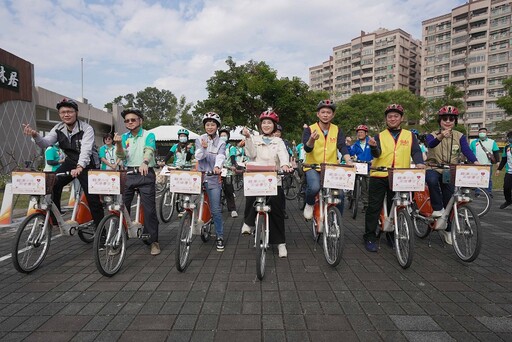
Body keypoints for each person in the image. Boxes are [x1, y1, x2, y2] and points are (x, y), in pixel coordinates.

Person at [22, 98, 104, 228]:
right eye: (63, 112)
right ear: (60, 114)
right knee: (53, 183)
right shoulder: (58, 128)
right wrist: (35, 135)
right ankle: (55, 220)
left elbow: (86, 150)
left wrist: (80, 166)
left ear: (76, 113)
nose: (66, 114)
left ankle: (101, 231)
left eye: (69, 111)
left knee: (92, 199)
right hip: (70, 162)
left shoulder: (86, 128)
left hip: (88, 165)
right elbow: (45, 142)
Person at [363, 104, 425, 252]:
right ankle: (370, 236)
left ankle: (391, 234)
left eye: (396, 116)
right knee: (374, 207)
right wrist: (372, 146)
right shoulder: (379, 136)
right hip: (379, 174)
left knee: (395, 207)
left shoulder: (410, 136)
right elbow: (377, 154)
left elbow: (415, 151)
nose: (392, 118)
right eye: (389, 116)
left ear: (401, 118)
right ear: (386, 119)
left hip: (399, 176)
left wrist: (420, 163)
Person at [241, 109, 292, 257]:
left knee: (277, 209)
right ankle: (249, 223)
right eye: (264, 122)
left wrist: (285, 165)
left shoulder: (279, 141)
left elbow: (283, 155)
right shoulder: (255, 138)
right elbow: (250, 154)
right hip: (257, 177)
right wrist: (248, 138)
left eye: (269, 122)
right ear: (260, 125)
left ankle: (280, 243)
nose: (266, 125)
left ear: (274, 125)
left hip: (273, 178)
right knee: (251, 195)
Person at [425, 106, 478, 244]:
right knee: (431, 179)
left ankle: (448, 230)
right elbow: (431, 144)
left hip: (450, 170)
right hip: (433, 167)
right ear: (440, 121)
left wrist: (476, 162)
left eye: (451, 119)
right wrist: (441, 135)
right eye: (444, 119)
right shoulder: (432, 134)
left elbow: (466, 150)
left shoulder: (459, 136)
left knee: (449, 200)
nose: (448, 121)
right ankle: (437, 209)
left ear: (455, 121)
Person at [114, 108, 160, 256]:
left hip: (145, 173)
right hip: (128, 173)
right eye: (127, 120)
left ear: (140, 120)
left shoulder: (148, 135)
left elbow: (149, 149)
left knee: (149, 210)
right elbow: (121, 156)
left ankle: (153, 241)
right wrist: (119, 144)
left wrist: (145, 162)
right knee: (122, 207)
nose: (130, 122)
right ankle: (119, 239)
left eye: (133, 119)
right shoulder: (124, 137)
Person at [302, 99, 351, 220]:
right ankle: (309, 203)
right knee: (314, 187)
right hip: (312, 166)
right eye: (322, 112)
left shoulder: (337, 129)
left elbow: (342, 146)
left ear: (333, 115)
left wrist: (349, 161)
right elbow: (307, 149)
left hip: (331, 167)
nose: (325, 115)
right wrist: (312, 140)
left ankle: (336, 220)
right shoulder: (309, 129)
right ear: (318, 114)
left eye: (328, 112)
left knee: (339, 194)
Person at [195, 112, 226, 251]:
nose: (210, 127)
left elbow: (221, 156)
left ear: (217, 126)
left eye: (213, 124)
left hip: (213, 177)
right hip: (200, 176)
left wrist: (217, 167)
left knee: (216, 209)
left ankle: (219, 235)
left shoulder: (221, 141)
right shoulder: (200, 139)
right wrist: (204, 147)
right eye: (207, 124)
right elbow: (198, 156)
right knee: (190, 204)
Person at [347, 124, 372, 212]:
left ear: (366, 133)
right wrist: (348, 145)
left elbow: (377, 152)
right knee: (362, 187)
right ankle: (364, 203)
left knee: (369, 186)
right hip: (360, 167)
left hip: (369, 167)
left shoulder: (371, 142)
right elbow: (351, 153)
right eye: (358, 132)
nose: (360, 134)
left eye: (362, 132)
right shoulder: (356, 144)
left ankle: (369, 203)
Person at [470, 127, 500, 196]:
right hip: (477, 163)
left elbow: (496, 152)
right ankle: (477, 192)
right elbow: (470, 152)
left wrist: (498, 161)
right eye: (480, 132)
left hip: (488, 163)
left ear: (487, 133)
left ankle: (489, 192)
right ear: (478, 133)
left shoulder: (492, 142)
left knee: (488, 179)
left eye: (483, 132)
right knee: (477, 178)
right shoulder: (473, 142)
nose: (482, 133)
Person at [219, 126, 239, 218]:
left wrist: (233, 165)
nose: (223, 137)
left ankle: (232, 209)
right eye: (221, 135)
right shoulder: (217, 146)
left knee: (229, 191)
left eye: (225, 135)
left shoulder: (231, 147)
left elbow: (233, 157)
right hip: (218, 171)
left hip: (227, 171)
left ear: (228, 137)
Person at [496, 131, 512, 209]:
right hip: (509, 172)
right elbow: (504, 160)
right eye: (510, 137)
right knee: (506, 187)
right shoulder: (507, 148)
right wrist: (499, 169)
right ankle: (508, 201)